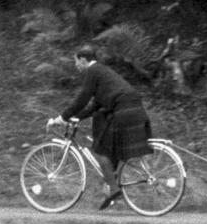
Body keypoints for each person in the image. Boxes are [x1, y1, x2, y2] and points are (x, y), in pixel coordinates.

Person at [47, 44, 153, 210]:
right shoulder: (102, 72)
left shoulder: (93, 71)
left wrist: (62, 117)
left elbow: (83, 98)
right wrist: (75, 118)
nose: (75, 65)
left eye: (76, 61)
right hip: (133, 107)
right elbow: (95, 105)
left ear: (83, 59)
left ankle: (114, 190)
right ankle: (113, 186)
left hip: (123, 110)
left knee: (101, 151)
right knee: (112, 152)